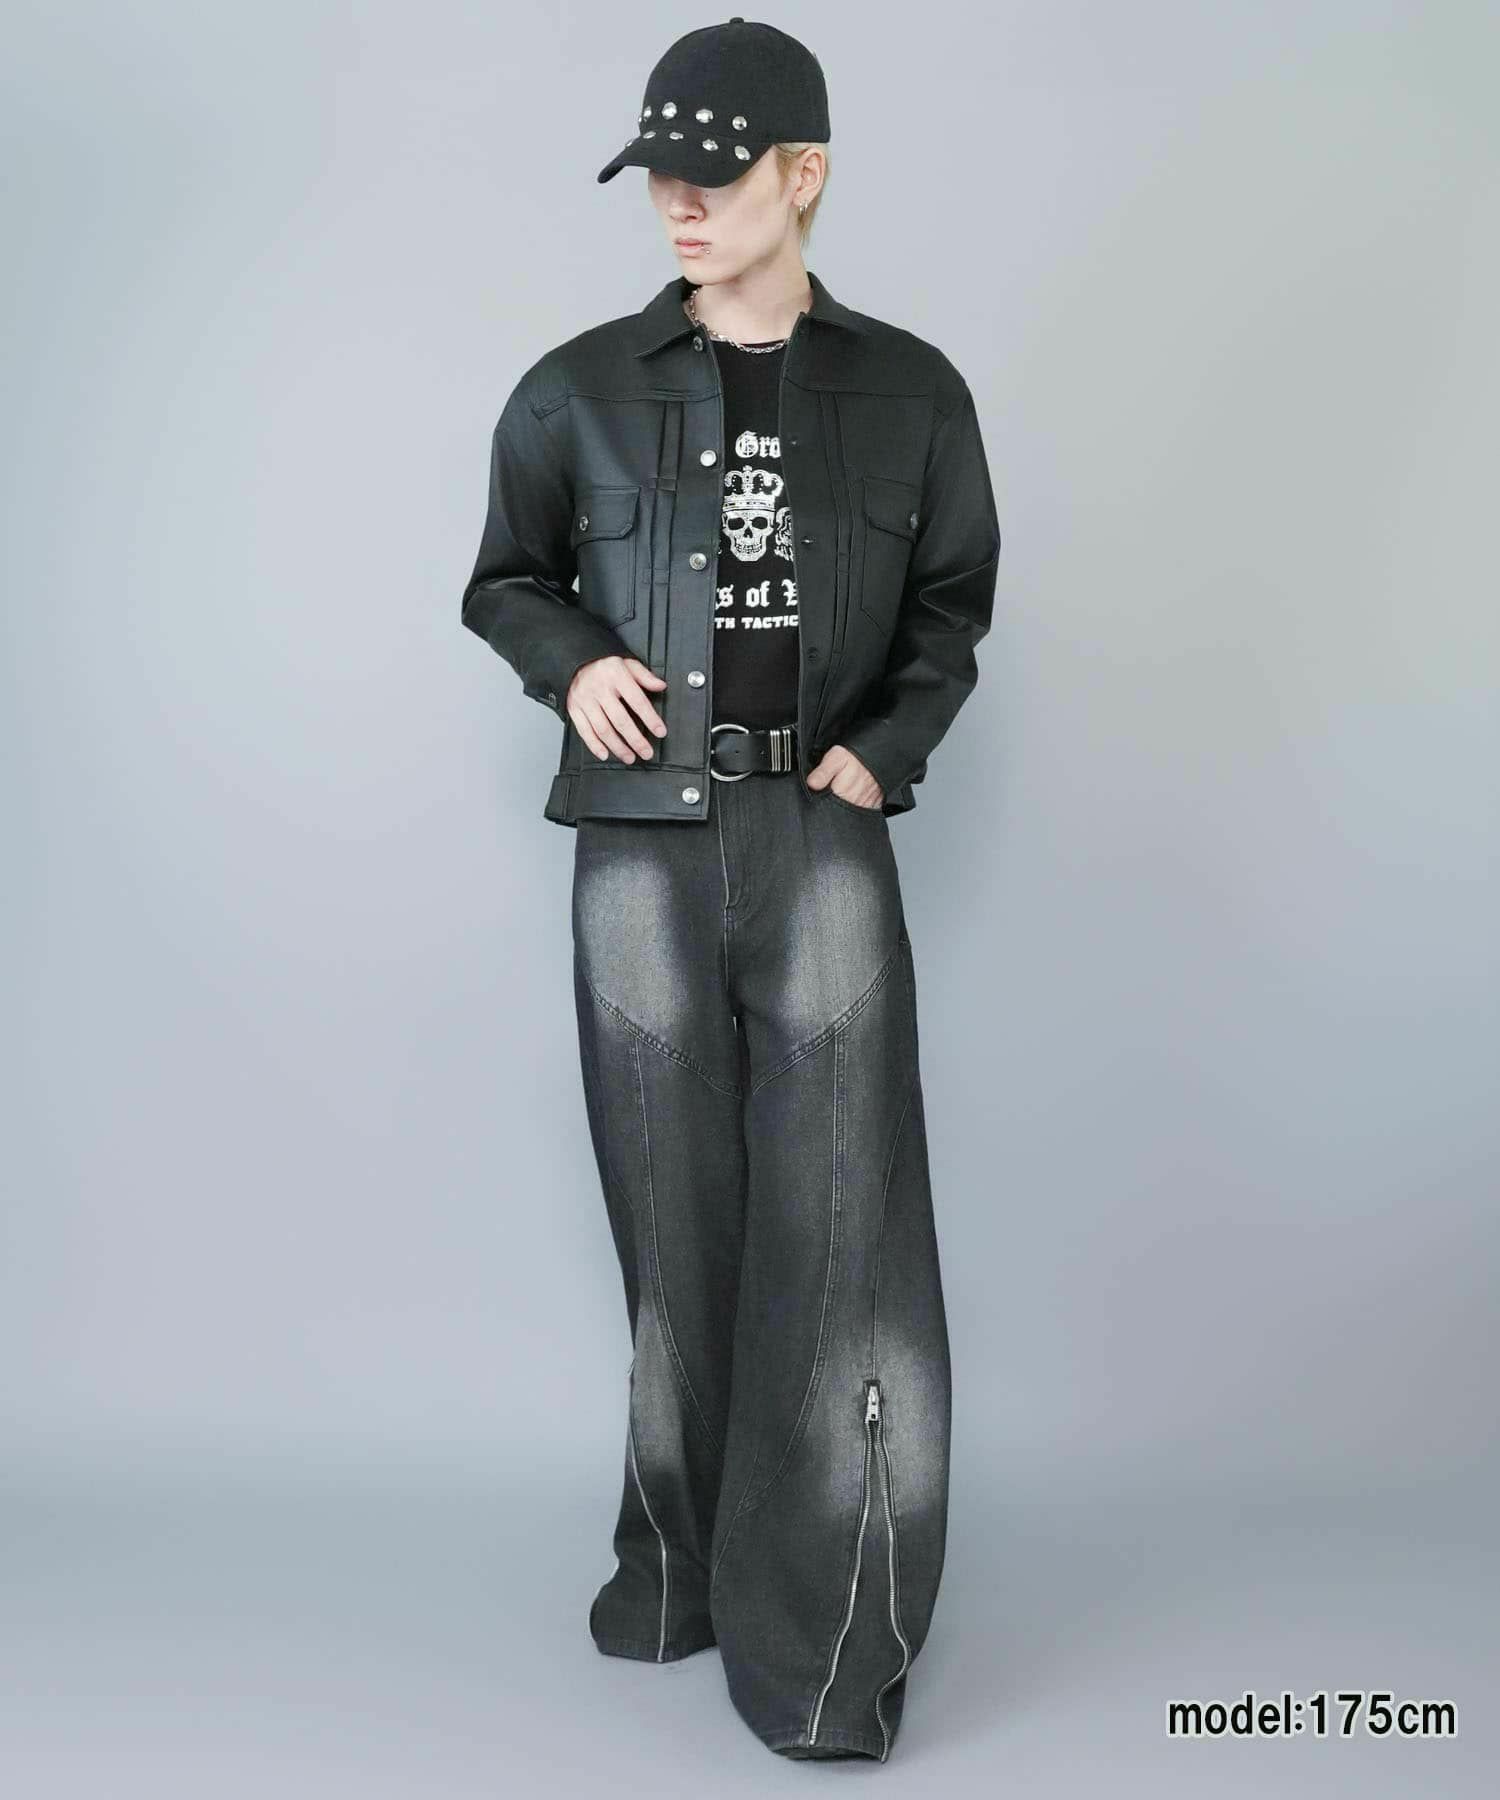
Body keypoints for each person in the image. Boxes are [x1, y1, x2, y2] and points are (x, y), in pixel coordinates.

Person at [461, 17, 1001, 1763]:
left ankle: (826, 1648)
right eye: (660, 179)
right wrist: (568, 666)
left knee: (843, 1236)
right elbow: (506, 576)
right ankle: (681, 1569)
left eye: (711, 175)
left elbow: (952, 605)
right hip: (640, 841)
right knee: (669, 1217)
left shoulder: (912, 392)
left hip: (817, 831)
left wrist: (886, 748)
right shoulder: (576, 387)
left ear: (804, 175)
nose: (679, 206)